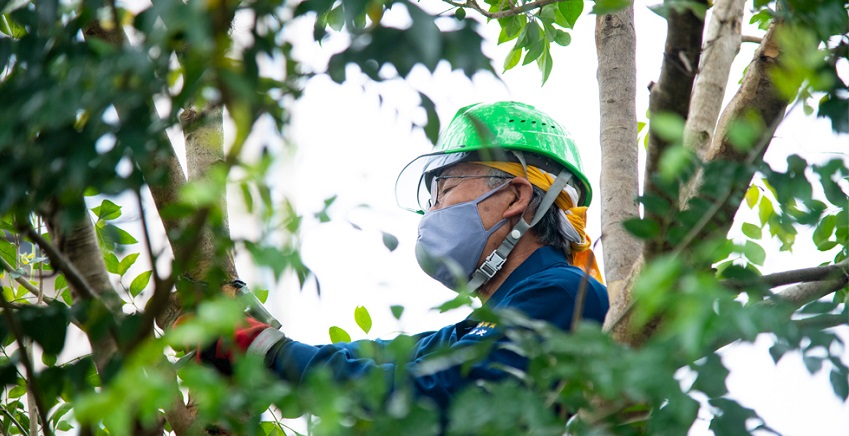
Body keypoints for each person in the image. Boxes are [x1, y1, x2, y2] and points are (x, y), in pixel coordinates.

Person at [198, 101, 609, 416]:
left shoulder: (569, 294)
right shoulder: (480, 328)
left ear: (515, 197)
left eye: (444, 189)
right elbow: (383, 358)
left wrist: (269, 352)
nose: (431, 213)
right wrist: (261, 342)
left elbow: (429, 395)